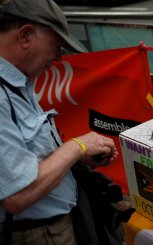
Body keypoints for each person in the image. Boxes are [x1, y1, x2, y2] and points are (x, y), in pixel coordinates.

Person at [0, 0, 119, 244]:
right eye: (56, 46)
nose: (58, 58)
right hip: (38, 234)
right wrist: (76, 147)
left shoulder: (19, 81)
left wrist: (77, 158)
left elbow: (27, 157)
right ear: (25, 36)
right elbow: (17, 195)